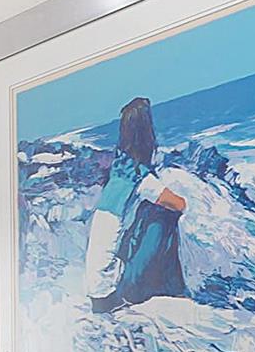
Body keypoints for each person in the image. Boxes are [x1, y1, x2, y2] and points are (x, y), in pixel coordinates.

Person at [83, 96, 195, 312]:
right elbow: (181, 205)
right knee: (166, 215)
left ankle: (168, 287)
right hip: (114, 291)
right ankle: (173, 289)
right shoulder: (140, 178)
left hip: (97, 292)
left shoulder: (118, 171)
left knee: (147, 211)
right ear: (147, 134)